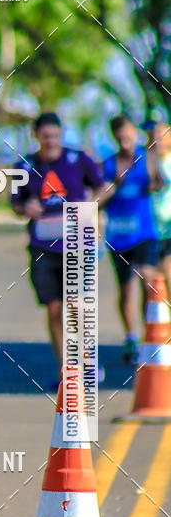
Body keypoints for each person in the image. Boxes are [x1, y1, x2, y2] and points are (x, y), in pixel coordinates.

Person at [12, 112, 106, 386]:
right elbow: (16, 204)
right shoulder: (25, 166)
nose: (50, 141)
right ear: (37, 137)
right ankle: (65, 368)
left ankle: (87, 360)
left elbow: (103, 187)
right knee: (54, 309)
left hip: (76, 245)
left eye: (54, 136)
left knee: (77, 308)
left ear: (61, 135)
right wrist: (25, 208)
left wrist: (91, 207)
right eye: (45, 137)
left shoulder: (78, 160)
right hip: (42, 247)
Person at [99, 115, 159, 364]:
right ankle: (130, 336)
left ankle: (150, 332)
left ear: (135, 133)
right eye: (121, 138)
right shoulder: (109, 164)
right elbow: (98, 199)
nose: (125, 142)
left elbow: (157, 184)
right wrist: (115, 183)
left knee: (147, 278)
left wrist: (152, 154)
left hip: (144, 232)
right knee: (125, 288)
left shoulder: (147, 158)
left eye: (129, 136)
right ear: (114, 137)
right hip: (118, 236)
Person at [146, 122, 171, 300]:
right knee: (152, 279)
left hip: (169, 227)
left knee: (168, 271)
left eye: (163, 136)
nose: (159, 141)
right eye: (156, 137)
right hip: (151, 229)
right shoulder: (145, 161)